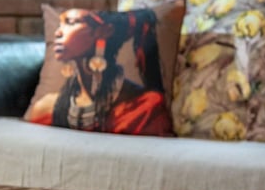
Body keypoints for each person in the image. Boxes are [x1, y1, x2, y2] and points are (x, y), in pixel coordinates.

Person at [28, 8, 173, 136]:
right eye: (59, 24)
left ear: (103, 32)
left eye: (71, 22)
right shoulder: (46, 108)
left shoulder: (142, 108)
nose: (58, 32)